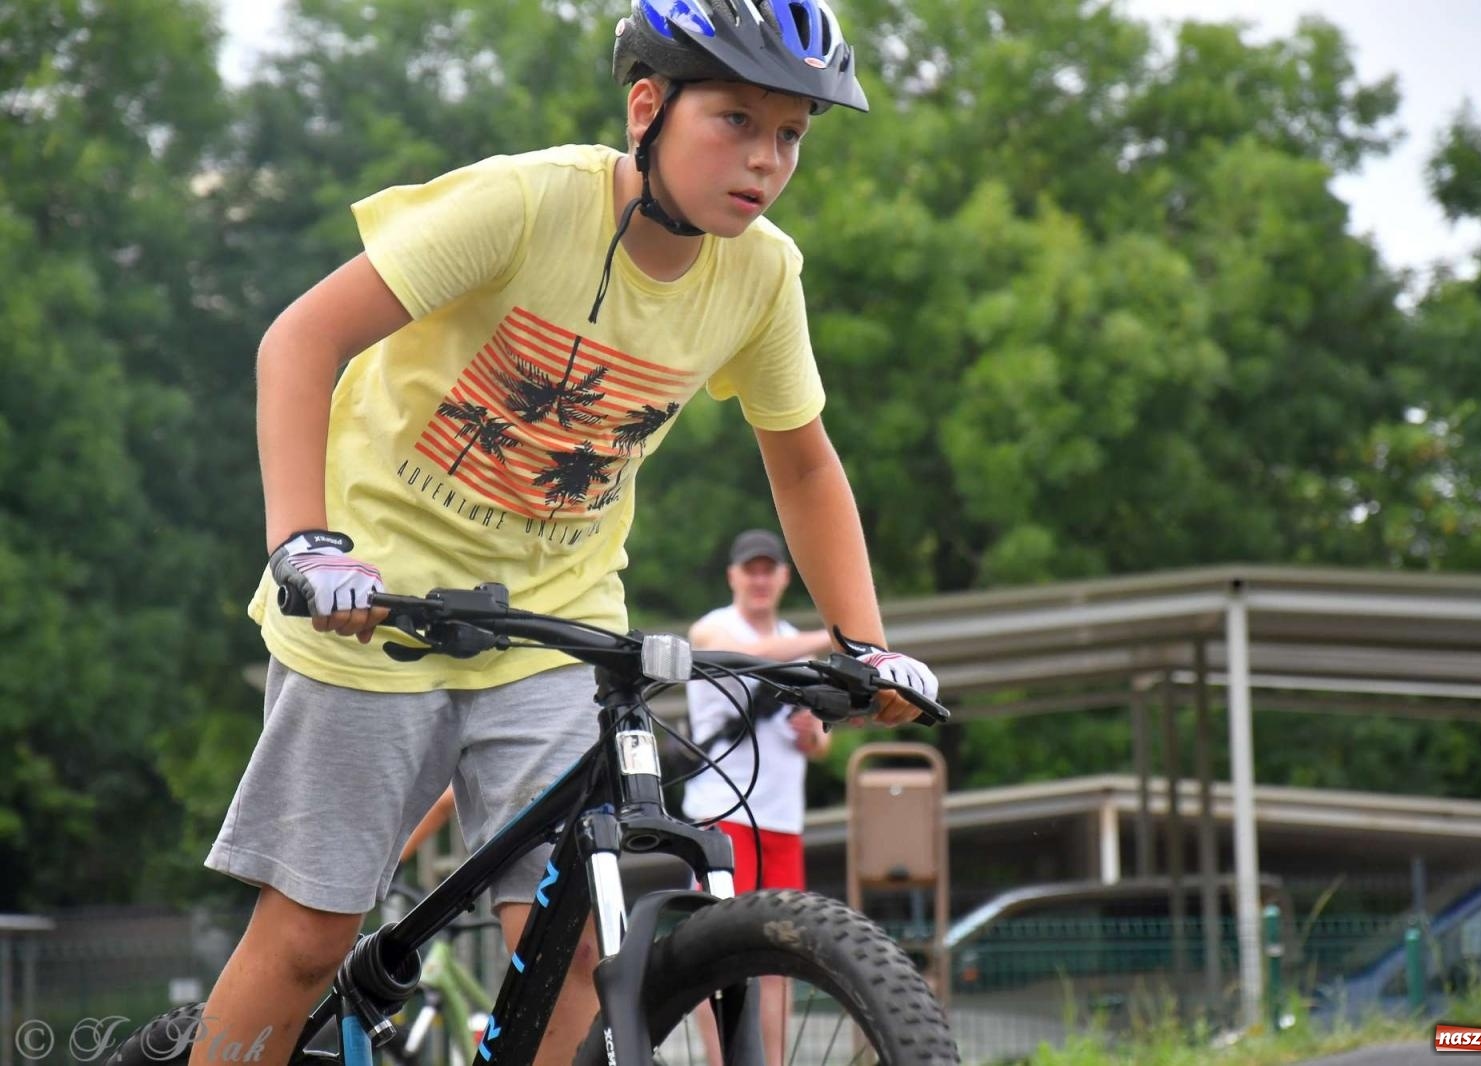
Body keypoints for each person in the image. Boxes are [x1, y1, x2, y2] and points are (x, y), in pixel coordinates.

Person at [194, 1, 939, 1064]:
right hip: (376, 602)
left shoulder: (763, 274)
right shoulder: (529, 204)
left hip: (555, 618)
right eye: (734, 120)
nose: (766, 160)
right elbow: (298, 341)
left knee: (572, 943)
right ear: (648, 107)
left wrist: (863, 641)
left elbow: (803, 459)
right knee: (312, 934)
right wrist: (304, 543)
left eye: (790, 135)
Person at [680, 528, 836, 1066]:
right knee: (717, 951)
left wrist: (810, 733)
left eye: (770, 569)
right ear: (734, 577)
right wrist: (834, 638)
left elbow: (819, 742)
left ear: (784, 578)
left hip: (782, 822)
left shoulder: (794, 638)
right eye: (752, 569)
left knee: (780, 957)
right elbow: (747, 655)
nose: (761, 579)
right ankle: (720, 1059)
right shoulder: (715, 626)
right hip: (722, 816)